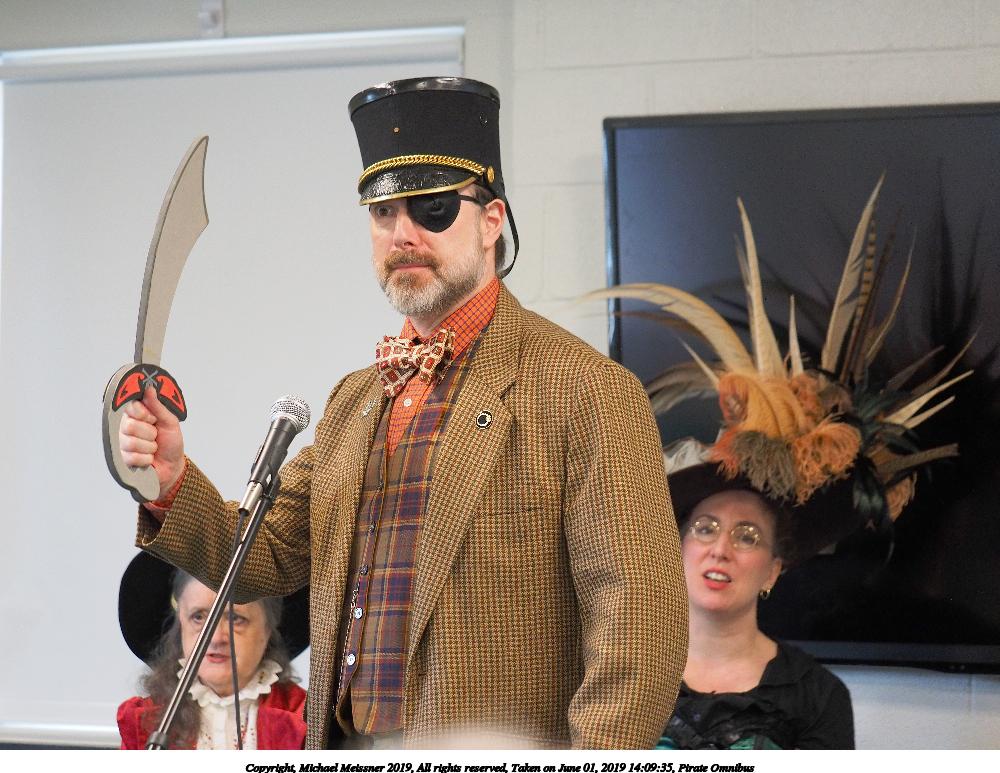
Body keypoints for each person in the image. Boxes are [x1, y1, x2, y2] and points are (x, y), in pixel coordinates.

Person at [116, 76, 688, 749]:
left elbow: (639, 628)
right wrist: (171, 480)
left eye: (434, 208)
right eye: (383, 212)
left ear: (492, 221)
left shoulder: (586, 391)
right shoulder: (356, 400)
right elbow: (263, 553)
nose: (403, 234)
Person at [594, 180, 964, 749]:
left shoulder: (817, 698)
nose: (720, 548)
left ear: (773, 569)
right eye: (705, 528)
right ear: (677, 549)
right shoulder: (615, 682)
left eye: (747, 536)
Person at [116, 552, 309, 749]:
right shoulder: (145, 723)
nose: (216, 638)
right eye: (198, 617)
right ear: (181, 625)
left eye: (236, 619)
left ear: (268, 629)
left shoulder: (305, 719)